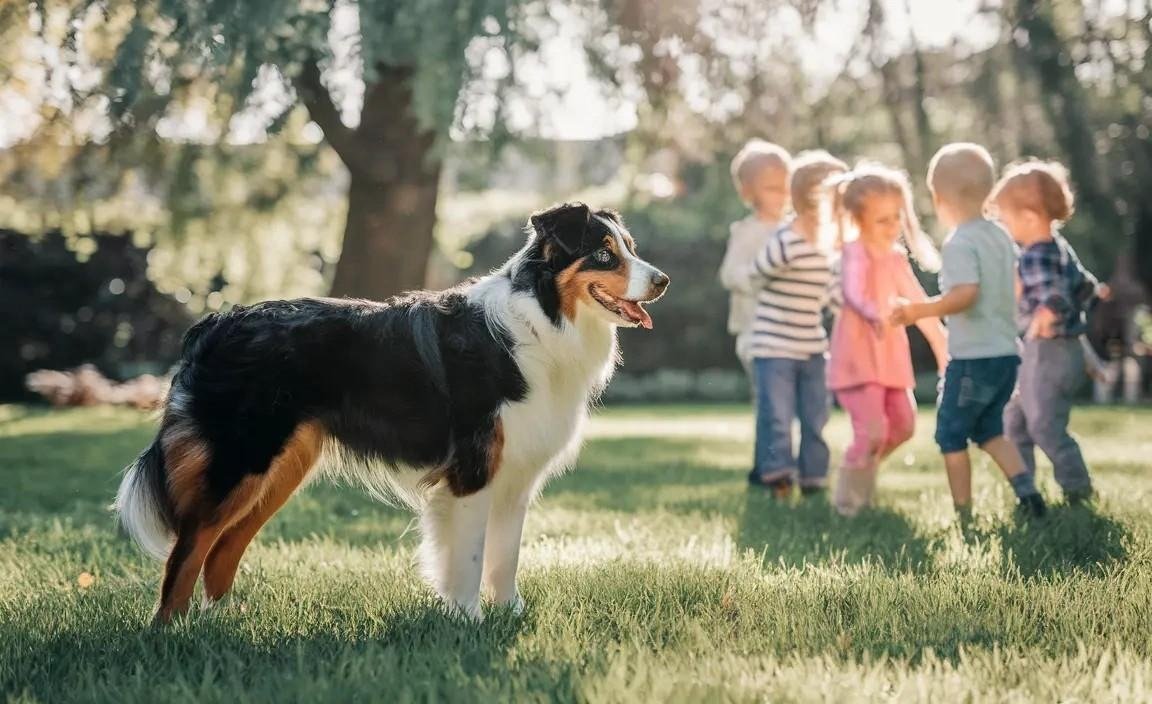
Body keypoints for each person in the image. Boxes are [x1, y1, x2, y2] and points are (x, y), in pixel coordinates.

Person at [891, 143, 1047, 520]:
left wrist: (917, 310)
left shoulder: (961, 241)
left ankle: (963, 513)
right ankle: (1028, 495)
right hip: (1006, 356)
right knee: (990, 431)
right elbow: (1017, 288)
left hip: (972, 361)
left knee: (951, 435)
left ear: (939, 199)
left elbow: (964, 294)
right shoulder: (999, 236)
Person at [825, 164, 949, 516]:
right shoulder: (854, 252)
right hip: (857, 357)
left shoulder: (895, 257)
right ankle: (848, 506)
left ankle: (859, 468)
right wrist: (872, 312)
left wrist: (939, 339)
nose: (893, 227)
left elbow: (916, 300)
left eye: (897, 218)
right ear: (859, 219)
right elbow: (852, 290)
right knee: (872, 432)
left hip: (889, 357)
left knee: (904, 426)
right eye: (883, 220)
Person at [990, 159, 1108, 504]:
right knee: (1016, 420)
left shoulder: (1035, 254)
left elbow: (1053, 294)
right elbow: (1085, 287)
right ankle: (1025, 489)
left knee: (1043, 425)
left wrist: (1045, 313)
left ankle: (1078, 490)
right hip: (1054, 350)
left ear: (1029, 216)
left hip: (1047, 351)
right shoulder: (1059, 247)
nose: (1006, 227)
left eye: (1006, 219)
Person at [743, 150, 847, 498]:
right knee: (778, 419)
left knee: (816, 418)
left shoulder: (831, 247)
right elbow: (757, 273)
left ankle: (813, 480)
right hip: (773, 348)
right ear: (814, 198)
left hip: (813, 348)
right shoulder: (786, 241)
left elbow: (833, 293)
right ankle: (778, 479)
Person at [719, 140, 793, 382]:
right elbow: (729, 274)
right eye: (772, 188)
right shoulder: (746, 232)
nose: (782, 195)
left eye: (786, 187)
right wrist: (758, 275)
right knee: (770, 396)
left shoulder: (795, 230)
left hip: (794, 332)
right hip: (756, 331)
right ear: (748, 192)